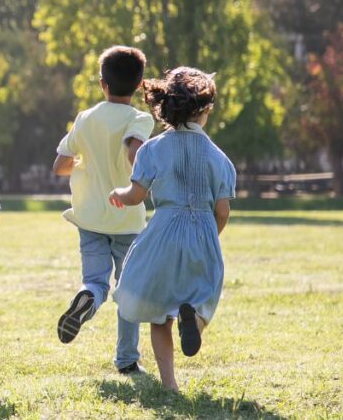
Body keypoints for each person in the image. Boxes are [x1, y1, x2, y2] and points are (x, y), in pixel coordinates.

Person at [109, 67, 236, 391]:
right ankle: (193, 320)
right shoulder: (219, 159)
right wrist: (209, 234)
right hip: (203, 233)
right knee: (202, 298)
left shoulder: (152, 149)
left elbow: (136, 196)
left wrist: (118, 194)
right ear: (205, 110)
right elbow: (222, 210)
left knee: (158, 313)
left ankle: (170, 386)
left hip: (163, 232)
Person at [52, 46, 155, 374]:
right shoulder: (141, 118)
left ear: (102, 84)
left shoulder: (85, 118)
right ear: (139, 85)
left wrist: (87, 163)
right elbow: (134, 151)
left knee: (95, 281)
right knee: (129, 290)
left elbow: (60, 165)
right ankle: (126, 360)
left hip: (90, 216)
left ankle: (86, 298)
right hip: (126, 216)